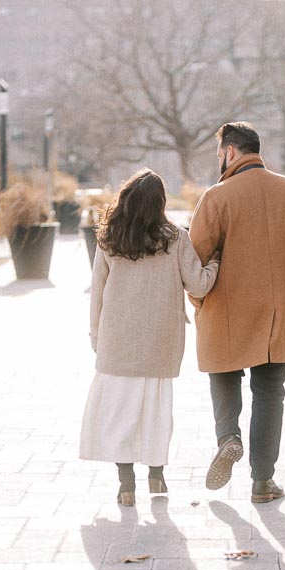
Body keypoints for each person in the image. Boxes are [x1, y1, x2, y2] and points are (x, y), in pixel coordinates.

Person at [188, 121, 285, 503]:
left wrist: (202, 304)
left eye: (219, 154)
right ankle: (263, 481)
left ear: (230, 152)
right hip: (281, 312)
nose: (219, 160)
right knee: (269, 393)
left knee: (223, 372)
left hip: (227, 308)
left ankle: (228, 436)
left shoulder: (217, 197)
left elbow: (195, 260)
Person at [80, 168, 219, 505]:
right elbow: (199, 284)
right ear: (160, 203)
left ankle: (126, 485)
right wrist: (215, 262)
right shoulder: (175, 238)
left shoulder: (108, 238)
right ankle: (156, 477)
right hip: (160, 343)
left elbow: (97, 293)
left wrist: (97, 339)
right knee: (156, 413)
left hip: (117, 344)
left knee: (120, 415)